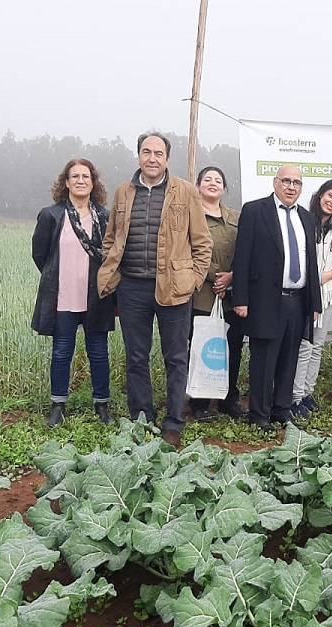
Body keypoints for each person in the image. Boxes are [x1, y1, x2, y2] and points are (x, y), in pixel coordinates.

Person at [97, 132, 212, 447]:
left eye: (158, 153)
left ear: (167, 159)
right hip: (132, 287)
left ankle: (174, 421)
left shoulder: (186, 192)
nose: (152, 158)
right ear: (138, 156)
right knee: (136, 356)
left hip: (174, 287)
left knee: (175, 356)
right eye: (146, 152)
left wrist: (193, 281)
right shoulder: (123, 192)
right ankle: (142, 416)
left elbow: (202, 243)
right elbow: (112, 237)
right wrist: (112, 270)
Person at [232, 165, 321, 431]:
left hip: (298, 300)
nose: (291, 187)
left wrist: (314, 302)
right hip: (265, 301)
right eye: (286, 181)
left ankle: (281, 409)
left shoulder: (306, 217)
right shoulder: (254, 211)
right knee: (264, 359)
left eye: (296, 182)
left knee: (289, 357)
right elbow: (243, 256)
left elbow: (311, 263)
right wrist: (240, 299)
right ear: (275, 183)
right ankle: (259, 414)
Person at [31, 159, 116, 427]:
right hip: (63, 298)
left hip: (97, 297)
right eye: (75, 176)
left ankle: (102, 404)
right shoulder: (51, 215)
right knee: (61, 352)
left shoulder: (104, 216)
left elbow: (112, 254)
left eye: (86, 176)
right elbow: (41, 255)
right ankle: (58, 405)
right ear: (65, 182)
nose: (81, 180)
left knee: (99, 353)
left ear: (94, 182)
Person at [188, 166, 246, 421]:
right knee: (202, 345)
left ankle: (227, 398)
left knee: (233, 346)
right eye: (207, 179)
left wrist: (232, 276)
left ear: (224, 188)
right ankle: (199, 402)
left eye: (218, 180)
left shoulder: (236, 217)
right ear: (198, 185)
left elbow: (247, 250)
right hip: (202, 291)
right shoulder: (190, 215)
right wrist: (215, 276)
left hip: (233, 293)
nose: (213, 183)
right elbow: (187, 250)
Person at [291, 179, 332, 418]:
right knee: (304, 346)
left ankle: (307, 393)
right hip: (304, 294)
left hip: (328, 293)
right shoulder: (303, 220)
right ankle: (294, 397)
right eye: (330, 196)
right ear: (320, 195)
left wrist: (329, 275)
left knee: (317, 346)